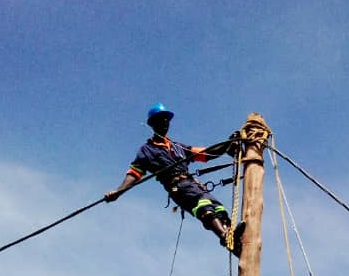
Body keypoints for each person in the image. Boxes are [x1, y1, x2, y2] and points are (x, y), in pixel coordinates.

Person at [105, 103, 245, 256]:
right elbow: (134, 174)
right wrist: (119, 191)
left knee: (219, 208)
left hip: (193, 184)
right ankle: (225, 236)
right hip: (177, 187)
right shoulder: (147, 150)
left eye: (166, 119)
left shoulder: (178, 147)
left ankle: (234, 242)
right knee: (204, 207)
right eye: (161, 119)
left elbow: (206, 154)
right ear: (152, 124)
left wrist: (227, 144)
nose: (165, 122)